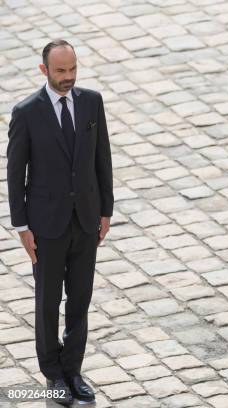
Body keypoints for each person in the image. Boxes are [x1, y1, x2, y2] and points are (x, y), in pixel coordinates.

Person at [7, 39, 113, 405]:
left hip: (85, 220)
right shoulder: (26, 113)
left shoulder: (92, 102)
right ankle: (53, 373)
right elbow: (14, 173)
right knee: (48, 301)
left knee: (80, 300)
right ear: (44, 71)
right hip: (45, 226)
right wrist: (22, 228)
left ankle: (73, 368)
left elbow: (103, 159)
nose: (68, 78)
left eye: (72, 70)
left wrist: (106, 210)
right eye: (60, 71)